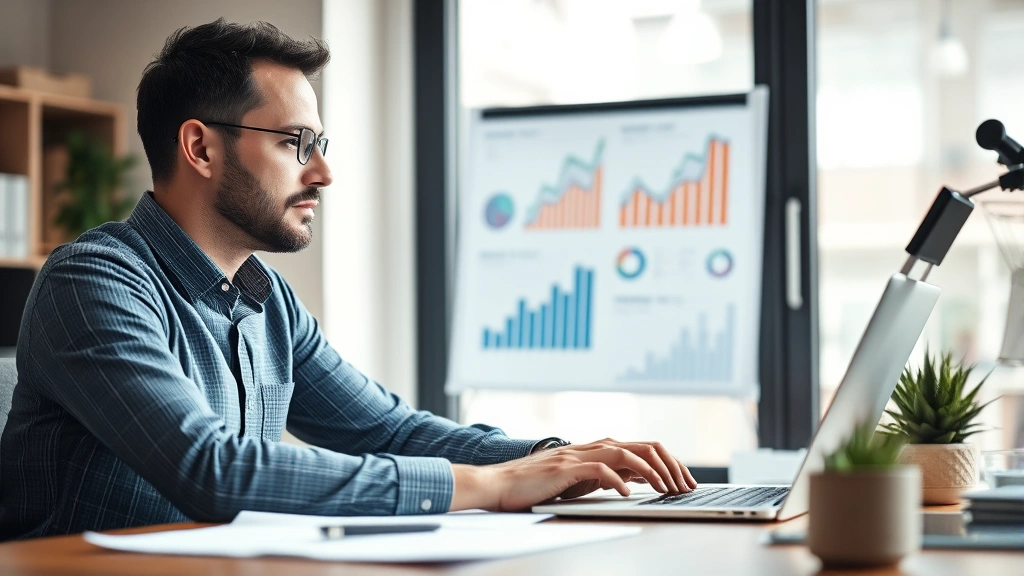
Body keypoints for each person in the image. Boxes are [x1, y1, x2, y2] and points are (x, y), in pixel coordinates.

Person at [0, 19, 696, 540]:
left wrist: (553, 458)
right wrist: (489, 485)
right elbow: (210, 470)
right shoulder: (93, 283)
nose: (323, 172)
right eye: (294, 144)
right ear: (201, 147)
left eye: (320, 145)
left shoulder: (267, 300)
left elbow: (385, 429)